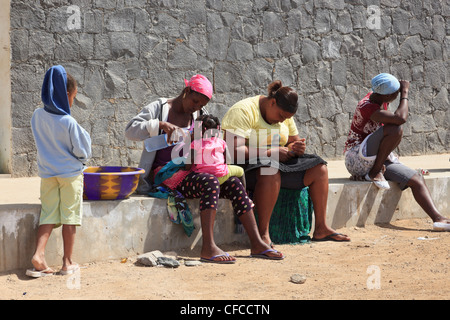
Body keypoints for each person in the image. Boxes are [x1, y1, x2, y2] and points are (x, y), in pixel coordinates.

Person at [125, 75, 283, 263]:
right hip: (166, 175)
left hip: (192, 171)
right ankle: (208, 247)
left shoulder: (199, 115)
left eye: (200, 105)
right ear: (186, 92)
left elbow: (209, 147)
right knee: (209, 181)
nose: (196, 107)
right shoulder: (159, 108)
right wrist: (159, 125)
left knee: (232, 182)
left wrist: (200, 140)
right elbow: (130, 130)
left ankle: (257, 242)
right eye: (195, 101)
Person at [221, 80, 351, 246]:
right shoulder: (243, 111)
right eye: (281, 116)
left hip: (277, 162)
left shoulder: (284, 116)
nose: (282, 121)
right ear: (272, 102)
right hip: (248, 166)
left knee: (319, 168)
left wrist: (296, 148)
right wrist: (271, 152)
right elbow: (234, 151)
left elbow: (292, 141)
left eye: (286, 119)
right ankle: (263, 234)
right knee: (270, 169)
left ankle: (321, 228)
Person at [344, 73, 449, 231]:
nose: (397, 95)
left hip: (375, 158)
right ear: (386, 95)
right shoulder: (366, 106)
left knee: (416, 178)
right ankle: (374, 172)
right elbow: (400, 118)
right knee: (395, 128)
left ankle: (438, 219)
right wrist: (405, 94)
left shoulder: (379, 98)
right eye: (396, 93)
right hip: (356, 157)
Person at [27, 65, 92, 277]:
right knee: (70, 216)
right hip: (70, 176)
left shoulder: (37, 116)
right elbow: (82, 151)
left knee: (48, 214)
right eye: (73, 96)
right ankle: (67, 262)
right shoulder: (68, 122)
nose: (72, 101)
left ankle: (39, 255)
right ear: (66, 95)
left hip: (47, 174)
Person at [185, 114, 244, 185]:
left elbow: (190, 161)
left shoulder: (195, 143)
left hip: (203, 176)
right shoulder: (222, 142)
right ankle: (245, 192)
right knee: (241, 171)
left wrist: (186, 170)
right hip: (221, 175)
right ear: (218, 129)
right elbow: (228, 161)